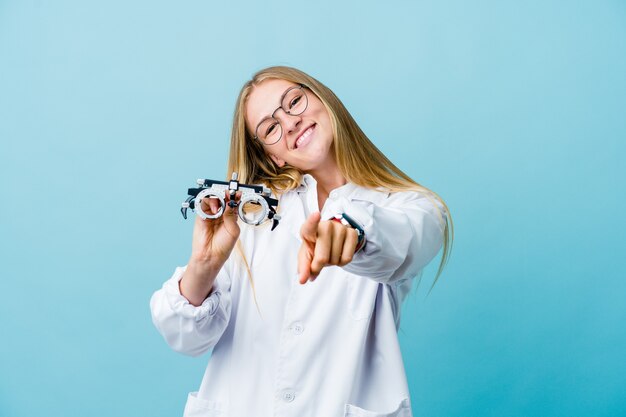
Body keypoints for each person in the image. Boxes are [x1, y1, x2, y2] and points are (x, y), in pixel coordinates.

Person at [150, 66, 453, 417]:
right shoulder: (251, 219)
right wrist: (203, 265)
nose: (290, 123)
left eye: (294, 101)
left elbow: (402, 243)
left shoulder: (413, 208)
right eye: (271, 128)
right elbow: (185, 337)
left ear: (324, 101)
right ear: (273, 156)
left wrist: (351, 235)